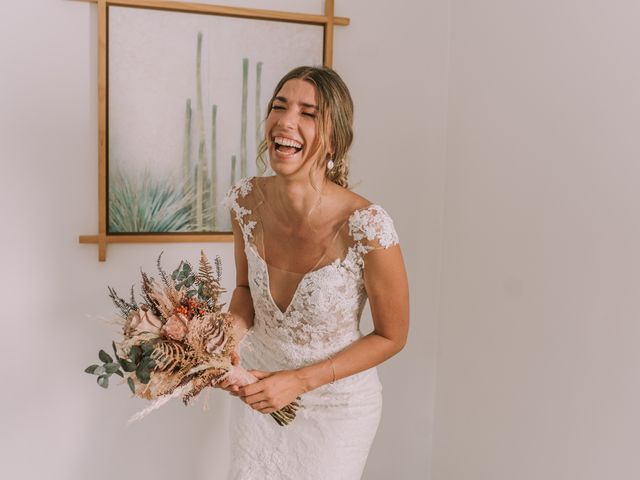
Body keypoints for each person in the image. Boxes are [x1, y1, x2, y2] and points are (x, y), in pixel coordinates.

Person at [220, 65, 409, 480]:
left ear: (335, 139)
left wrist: (299, 381)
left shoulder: (369, 226)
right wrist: (223, 339)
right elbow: (243, 290)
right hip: (261, 394)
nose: (286, 121)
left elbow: (392, 336)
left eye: (308, 112)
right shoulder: (244, 201)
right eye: (279, 106)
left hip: (335, 409)